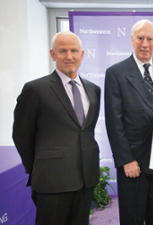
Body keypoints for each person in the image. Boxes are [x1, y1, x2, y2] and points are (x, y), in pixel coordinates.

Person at [12, 31, 101, 225]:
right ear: (53, 55)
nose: (69, 56)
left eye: (74, 51)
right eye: (63, 51)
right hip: (51, 181)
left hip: (85, 179)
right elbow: (21, 135)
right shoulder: (35, 89)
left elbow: (86, 130)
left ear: (82, 54)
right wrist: (37, 167)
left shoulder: (94, 90)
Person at [104, 19, 153, 225]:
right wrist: (126, 159)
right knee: (132, 218)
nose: (145, 44)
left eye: (150, 39)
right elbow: (114, 121)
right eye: (140, 38)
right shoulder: (116, 73)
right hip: (133, 163)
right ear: (132, 40)